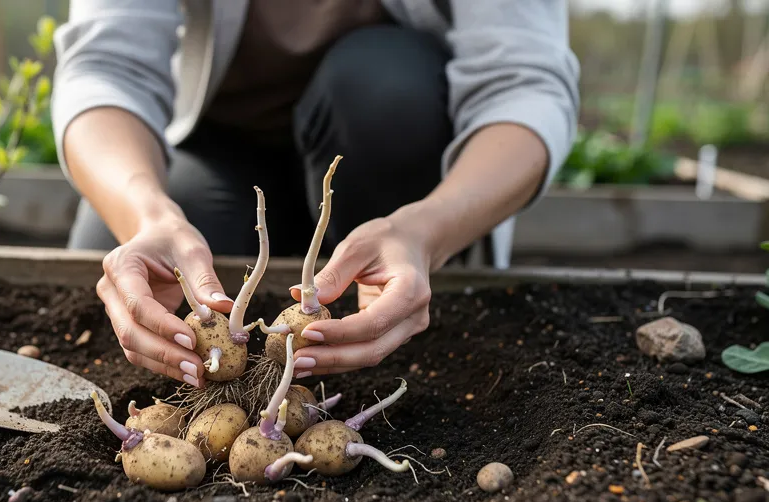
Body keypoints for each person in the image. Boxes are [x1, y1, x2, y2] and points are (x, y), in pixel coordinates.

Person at [51, 1, 580, 388]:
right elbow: (106, 67)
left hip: (382, 160)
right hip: (221, 151)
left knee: (382, 89)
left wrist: (428, 228)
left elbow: (526, 85)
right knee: (141, 289)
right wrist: (147, 214)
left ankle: (389, 312)